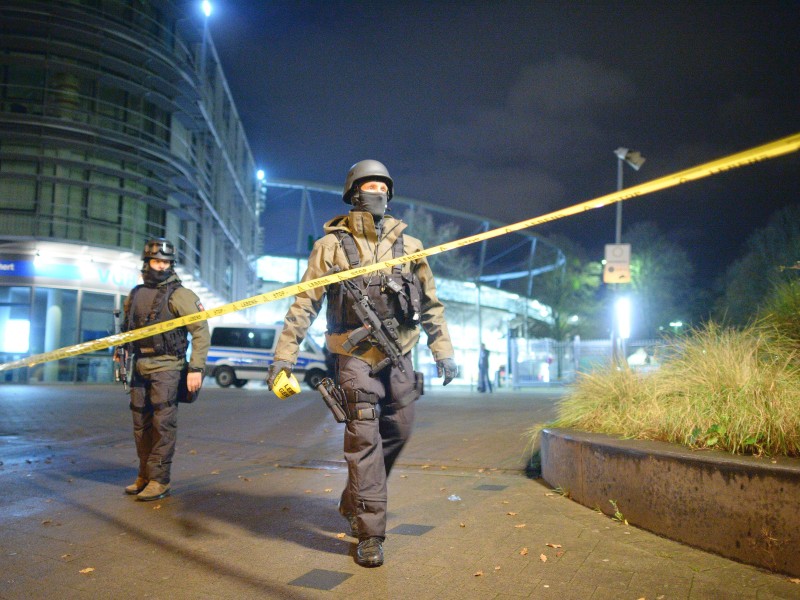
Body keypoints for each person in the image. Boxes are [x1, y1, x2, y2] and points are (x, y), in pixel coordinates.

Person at [267, 159, 458, 568]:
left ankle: (356, 497)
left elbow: (430, 304)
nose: (378, 193)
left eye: (384, 187)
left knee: (400, 430)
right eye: (370, 186)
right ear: (354, 192)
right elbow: (304, 304)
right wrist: (284, 356)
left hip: (401, 353)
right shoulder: (330, 246)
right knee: (363, 440)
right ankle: (370, 532)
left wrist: (442, 349)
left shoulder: (411, 246)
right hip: (353, 357)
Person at [117, 238, 210, 501]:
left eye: (166, 262)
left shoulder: (181, 295)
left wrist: (196, 368)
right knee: (140, 424)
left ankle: (159, 480)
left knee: (162, 424)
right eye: (157, 261)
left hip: (168, 367)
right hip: (139, 366)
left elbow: (201, 332)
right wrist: (119, 348)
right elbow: (128, 329)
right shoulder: (135, 294)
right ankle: (144, 475)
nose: (161, 266)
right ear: (146, 263)